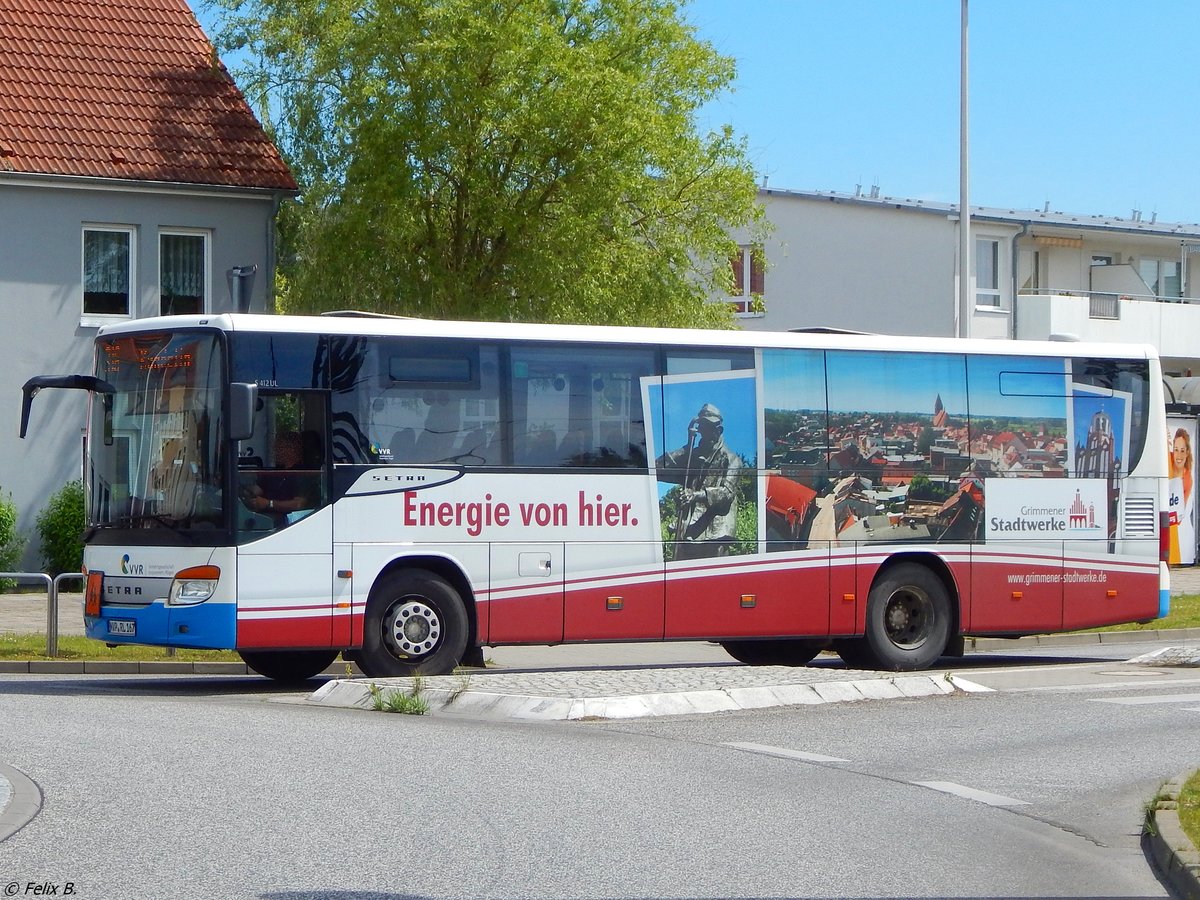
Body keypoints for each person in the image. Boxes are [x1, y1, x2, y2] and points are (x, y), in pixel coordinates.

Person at [656, 403, 740, 560]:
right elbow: (656, 469)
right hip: (688, 529)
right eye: (702, 429)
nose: (704, 434)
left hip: (715, 534)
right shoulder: (692, 456)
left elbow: (727, 493)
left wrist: (695, 495)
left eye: (708, 429)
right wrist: (688, 445)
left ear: (719, 431)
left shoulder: (731, 459)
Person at [243, 432, 311, 522]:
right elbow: (258, 490)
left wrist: (269, 504)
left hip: (285, 521)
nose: (275, 451)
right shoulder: (277, 470)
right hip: (263, 517)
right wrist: (243, 489)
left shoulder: (303, 473)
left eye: (279, 447)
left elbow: (298, 504)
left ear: (291, 448)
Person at [1168, 427, 1195, 564]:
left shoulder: (1188, 479)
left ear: (1187, 452)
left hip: (1176, 530)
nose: (1178, 455)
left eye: (1182, 451)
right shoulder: (1167, 459)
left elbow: (1179, 514)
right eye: (1176, 449)